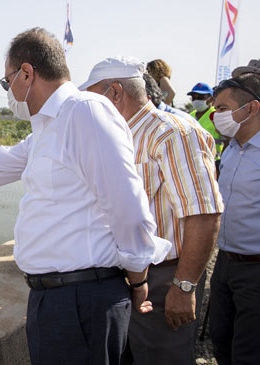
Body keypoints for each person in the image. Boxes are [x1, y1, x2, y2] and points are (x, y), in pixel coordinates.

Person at [0, 28, 171, 364]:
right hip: (55, 298)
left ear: (27, 73)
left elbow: (128, 206)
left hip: (82, 298)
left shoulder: (85, 112)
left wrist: (139, 278)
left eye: (6, 81)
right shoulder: (48, 126)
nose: (8, 91)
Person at [80, 56, 223, 365]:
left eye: (92, 97)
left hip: (161, 279)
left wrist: (183, 287)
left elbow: (204, 214)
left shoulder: (173, 134)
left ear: (115, 93)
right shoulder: (119, 136)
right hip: (124, 276)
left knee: (161, 356)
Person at [208, 74, 260, 365]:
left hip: (255, 269)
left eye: (224, 109)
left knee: (248, 351)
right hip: (226, 263)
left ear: (251, 108)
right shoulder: (232, 149)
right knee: (221, 341)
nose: (217, 116)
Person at [188, 82, 226, 164]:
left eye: (201, 97)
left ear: (211, 99)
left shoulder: (217, 115)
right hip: (191, 161)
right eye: (193, 97)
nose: (196, 100)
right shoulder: (190, 115)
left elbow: (227, 142)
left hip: (212, 162)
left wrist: (222, 164)